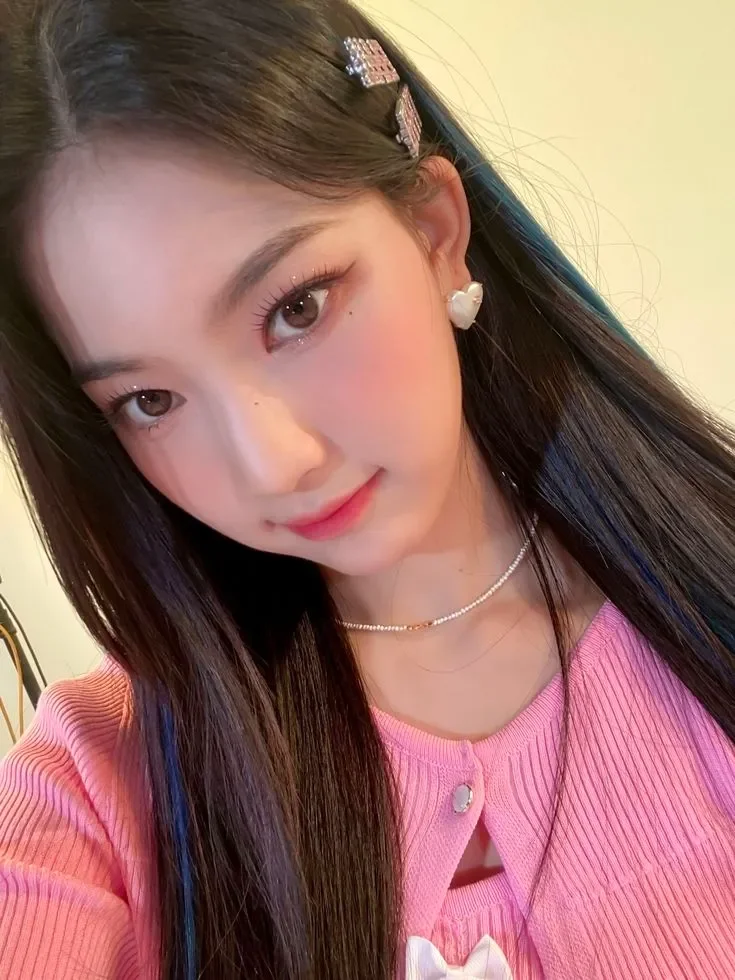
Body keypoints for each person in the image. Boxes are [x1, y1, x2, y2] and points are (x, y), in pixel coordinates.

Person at [0, 0, 733, 977]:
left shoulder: (704, 598)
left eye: (297, 309)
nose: (273, 463)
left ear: (435, 230)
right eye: (150, 400)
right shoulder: (101, 787)